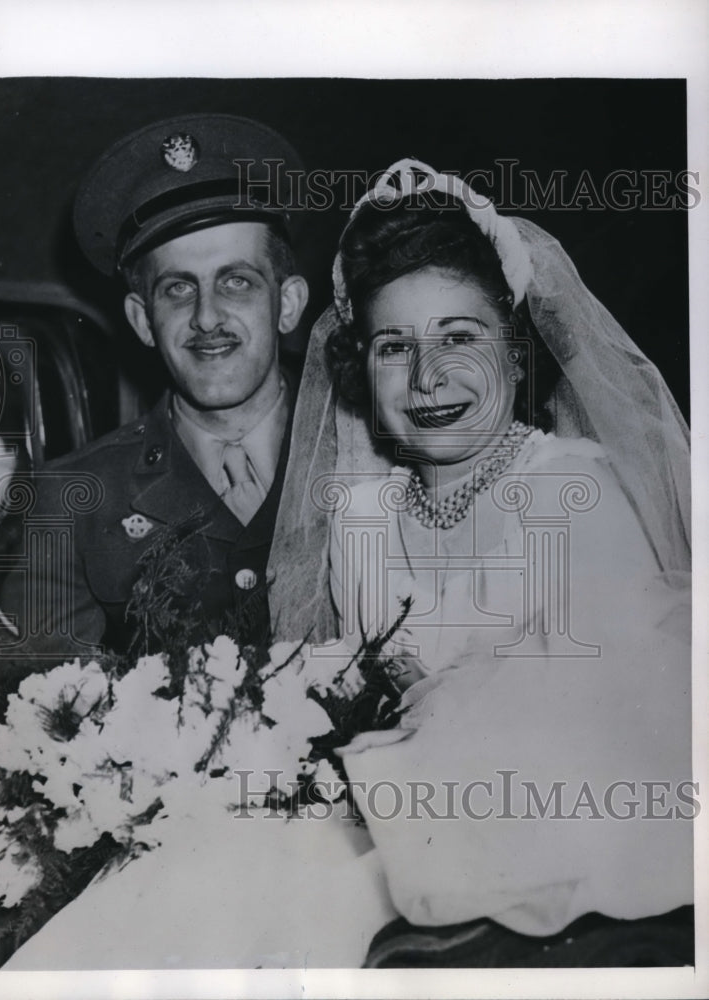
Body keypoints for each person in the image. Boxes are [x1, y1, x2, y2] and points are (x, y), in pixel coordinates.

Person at [268, 159, 693, 961]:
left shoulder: (577, 495)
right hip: (387, 833)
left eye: (460, 337)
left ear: (518, 351)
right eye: (394, 346)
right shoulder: (358, 517)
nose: (429, 377)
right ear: (360, 367)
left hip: (558, 857)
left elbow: (624, 743)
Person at [0, 114, 309, 692]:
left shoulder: (368, 461)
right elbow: (37, 725)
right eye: (178, 288)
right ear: (142, 319)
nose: (207, 317)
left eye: (236, 281)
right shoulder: (69, 498)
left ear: (287, 304)